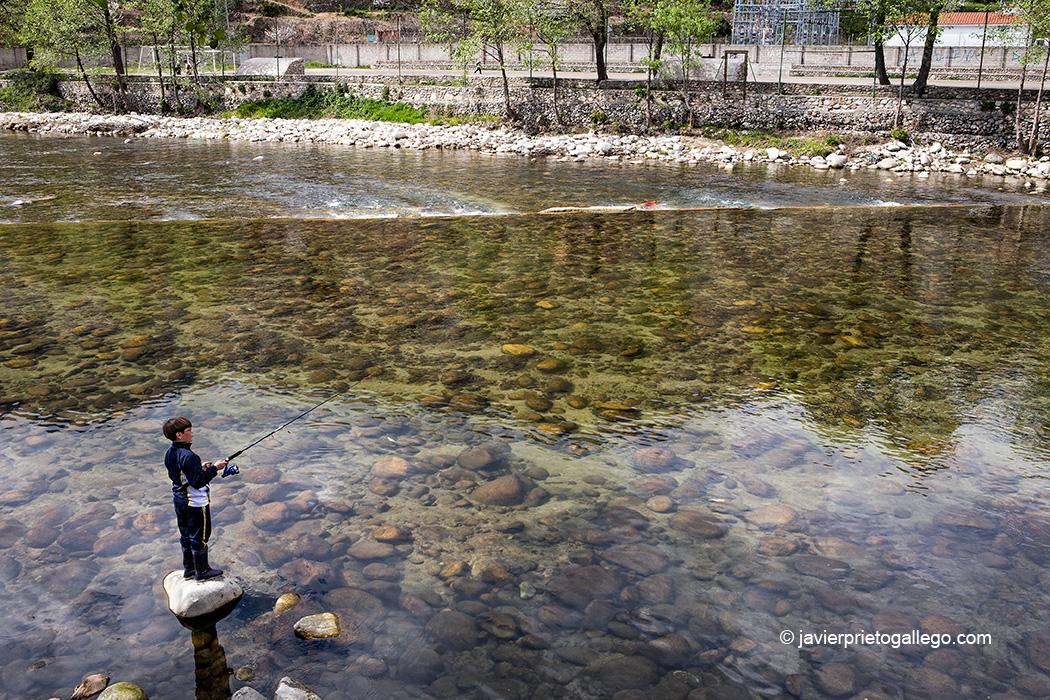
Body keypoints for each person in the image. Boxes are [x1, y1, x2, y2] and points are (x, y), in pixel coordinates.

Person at [163, 416, 228, 581]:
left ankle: (189, 569)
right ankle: (203, 571)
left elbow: (182, 474)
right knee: (201, 537)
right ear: (179, 435)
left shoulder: (170, 453)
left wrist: (199, 468)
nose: (192, 433)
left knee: (185, 536)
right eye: (189, 431)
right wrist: (215, 468)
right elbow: (198, 482)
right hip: (195, 503)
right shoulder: (190, 456)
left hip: (179, 499)